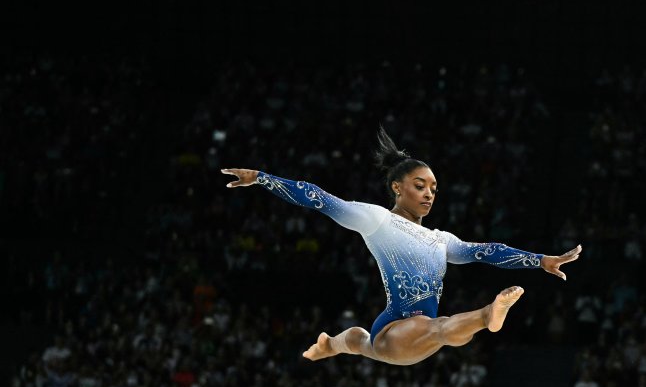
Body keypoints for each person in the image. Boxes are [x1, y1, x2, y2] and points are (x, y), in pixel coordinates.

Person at [220, 126, 581, 365]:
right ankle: (488, 316)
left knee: (365, 342)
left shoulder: (441, 240)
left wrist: (540, 260)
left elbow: (486, 251)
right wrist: (263, 179)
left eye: (434, 189)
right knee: (438, 329)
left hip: (415, 333)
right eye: (420, 186)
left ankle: (330, 343)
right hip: (394, 328)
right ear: (397, 187)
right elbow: (318, 198)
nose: (429, 195)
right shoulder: (377, 220)